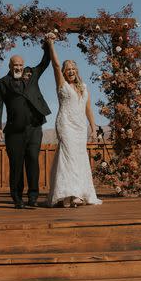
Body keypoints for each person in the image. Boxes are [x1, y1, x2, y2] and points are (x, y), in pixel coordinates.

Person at [45, 34, 102, 208]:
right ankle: (69, 194)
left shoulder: (84, 88)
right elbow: (55, 64)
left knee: (79, 158)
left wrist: (93, 128)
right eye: (68, 69)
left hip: (79, 127)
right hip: (66, 124)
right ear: (63, 72)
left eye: (73, 69)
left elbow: (88, 110)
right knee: (68, 156)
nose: (71, 71)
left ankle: (78, 193)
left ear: (77, 71)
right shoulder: (61, 84)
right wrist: (51, 44)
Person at [0, 44, 51, 209]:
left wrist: (47, 45)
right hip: (14, 131)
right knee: (16, 164)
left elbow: (45, 62)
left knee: (33, 161)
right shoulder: (2, 83)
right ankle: (17, 198)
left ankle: (33, 197)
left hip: (34, 128)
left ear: (23, 65)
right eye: (15, 65)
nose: (18, 67)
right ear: (10, 66)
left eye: (20, 65)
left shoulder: (31, 74)